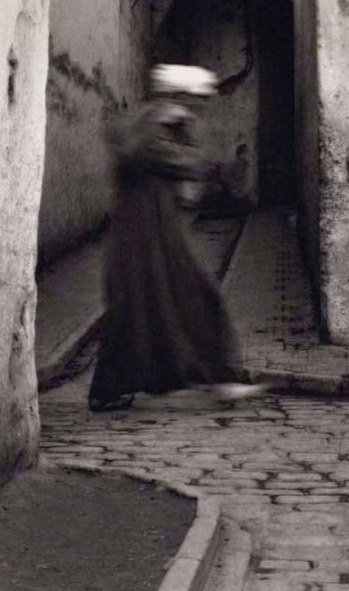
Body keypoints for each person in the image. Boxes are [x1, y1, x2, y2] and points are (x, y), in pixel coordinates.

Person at [88, 63, 265, 412]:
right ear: (179, 95)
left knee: (151, 307)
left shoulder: (161, 123)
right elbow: (181, 163)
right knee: (156, 306)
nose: (200, 106)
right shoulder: (153, 126)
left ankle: (217, 377)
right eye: (196, 99)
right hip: (143, 237)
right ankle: (216, 378)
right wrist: (187, 138)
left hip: (160, 233)